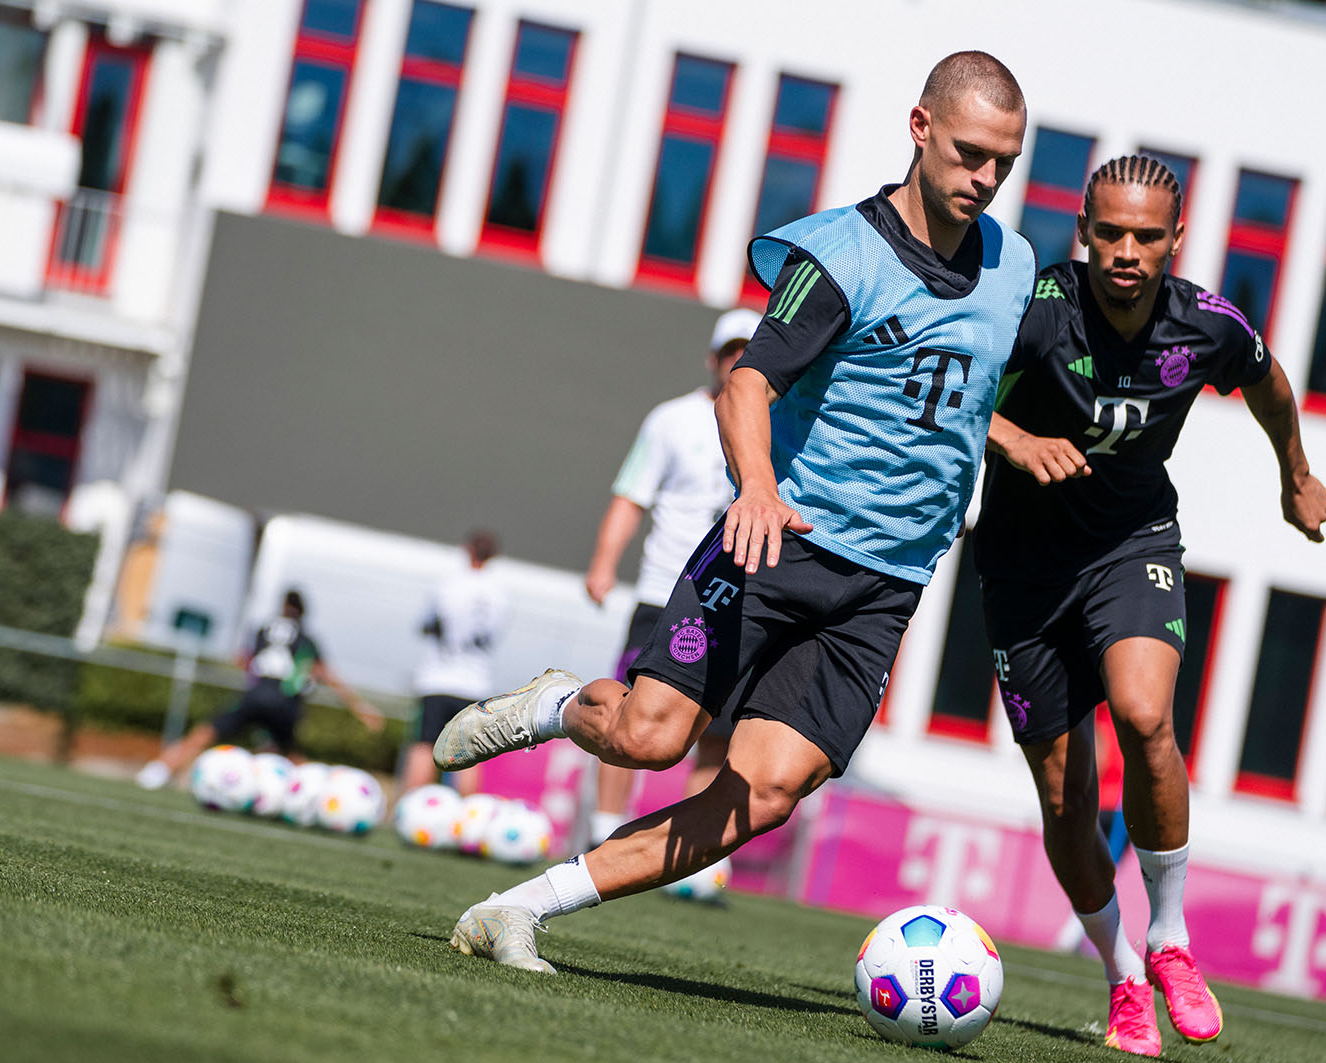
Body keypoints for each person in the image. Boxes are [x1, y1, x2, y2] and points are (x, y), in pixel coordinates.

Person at [429, 50, 1034, 973]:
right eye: (968, 154)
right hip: (775, 542)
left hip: (887, 587)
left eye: (1003, 162)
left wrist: (1005, 442)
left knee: (765, 793)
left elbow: (951, 387)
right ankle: (555, 703)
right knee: (648, 739)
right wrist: (756, 484)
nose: (984, 181)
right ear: (919, 129)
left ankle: (520, 908)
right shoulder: (841, 256)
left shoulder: (1014, 266)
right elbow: (746, 382)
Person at [975, 155, 1326, 1056]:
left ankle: (1170, 935)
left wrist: (1295, 475)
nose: (1126, 251)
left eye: (1146, 236)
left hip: (1131, 546)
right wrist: (1013, 440)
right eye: (1110, 233)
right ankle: (1122, 975)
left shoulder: (1206, 324)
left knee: (1144, 714)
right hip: (1021, 572)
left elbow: (1269, 383)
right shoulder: (1034, 309)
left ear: (1176, 239)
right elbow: (954, 388)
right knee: (1064, 796)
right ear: (1083, 232)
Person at [581, 308, 760, 896]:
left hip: (735, 598)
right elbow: (630, 495)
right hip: (665, 591)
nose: (738, 360)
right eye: (729, 350)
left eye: (748, 349)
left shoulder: (778, 418)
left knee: (717, 729)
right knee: (633, 715)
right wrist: (605, 563)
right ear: (712, 359)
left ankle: (689, 851)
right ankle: (604, 828)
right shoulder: (671, 420)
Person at [135, 590, 385, 789]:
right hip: (285, 701)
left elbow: (242, 660)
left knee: (204, 734)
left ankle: (158, 772)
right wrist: (361, 709)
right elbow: (327, 674)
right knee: (292, 757)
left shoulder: (263, 630)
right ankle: (316, 793)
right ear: (302, 613)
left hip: (256, 695)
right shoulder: (307, 639)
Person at [401, 530, 508, 795]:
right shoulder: (499, 593)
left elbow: (426, 624)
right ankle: (468, 815)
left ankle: (411, 804)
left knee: (425, 744)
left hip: (438, 677)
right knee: (467, 752)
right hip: (474, 682)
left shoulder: (450, 584)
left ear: (468, 550)